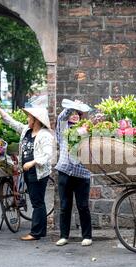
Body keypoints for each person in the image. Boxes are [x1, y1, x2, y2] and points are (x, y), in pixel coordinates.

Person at [0, 102, 54, 241]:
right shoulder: (26, 131)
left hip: (38, 172)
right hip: (28, 172)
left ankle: (36, 233)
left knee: (37, 202)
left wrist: (32, 162)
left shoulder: (45, 135)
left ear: (36, 120)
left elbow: (47, 154)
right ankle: (40, 231)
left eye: (29, 117)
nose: (27, 119)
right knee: (38, 201)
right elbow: (12, 122)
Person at [55, 99, 93, 247]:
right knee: (65, 206)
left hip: (82, 173)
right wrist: (71, 106)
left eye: (77, 113)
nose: (74, 115)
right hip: (65, 171)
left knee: (83, 205)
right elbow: (60, 118)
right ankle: (64, 236)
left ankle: (87, 236)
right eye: (72, 113)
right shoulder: (63, 130)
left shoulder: (87, 130)